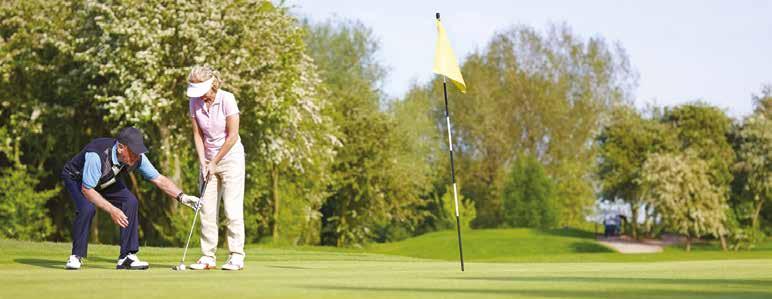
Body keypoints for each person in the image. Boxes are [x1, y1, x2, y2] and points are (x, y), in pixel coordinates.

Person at [61, 127, 201, 270]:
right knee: (87, 209)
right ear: (121, 148)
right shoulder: (96, 155)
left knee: (130, 201)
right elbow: (88, 189)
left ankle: (126, 257)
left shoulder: (136, 158)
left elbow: (158, 179)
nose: (136, 157)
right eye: (133, 152)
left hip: (106, 178)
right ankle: (76, 256)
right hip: (77, 178)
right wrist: (112, 210)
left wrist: (182, 197)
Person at [186, 65, 246, 271]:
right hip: (208, 161)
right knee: (206, 209)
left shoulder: (227, 99)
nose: (199, 96)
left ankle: (236, 255)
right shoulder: (194, 102)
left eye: (201, 91)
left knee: (232, 208)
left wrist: (214, 161)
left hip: (231, 158)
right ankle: (207, 256)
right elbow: (197, 134)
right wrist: (203, 161)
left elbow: (233, 136)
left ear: (212, 85)